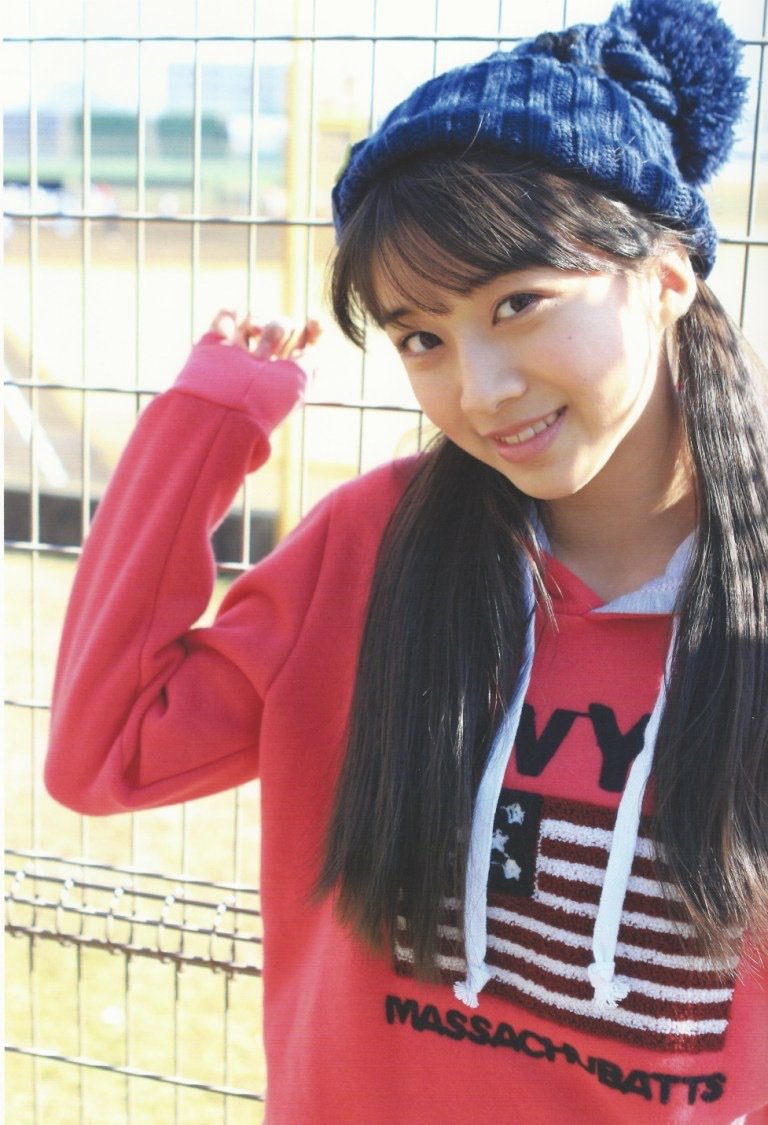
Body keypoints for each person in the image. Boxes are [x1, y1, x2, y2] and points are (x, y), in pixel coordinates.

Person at [46, 0, 768, 1120]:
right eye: (421, 337)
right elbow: (107, 755)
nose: (481, 390)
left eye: (520, 303)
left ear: (668, 276)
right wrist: (206, 425)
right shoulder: (369, 549)